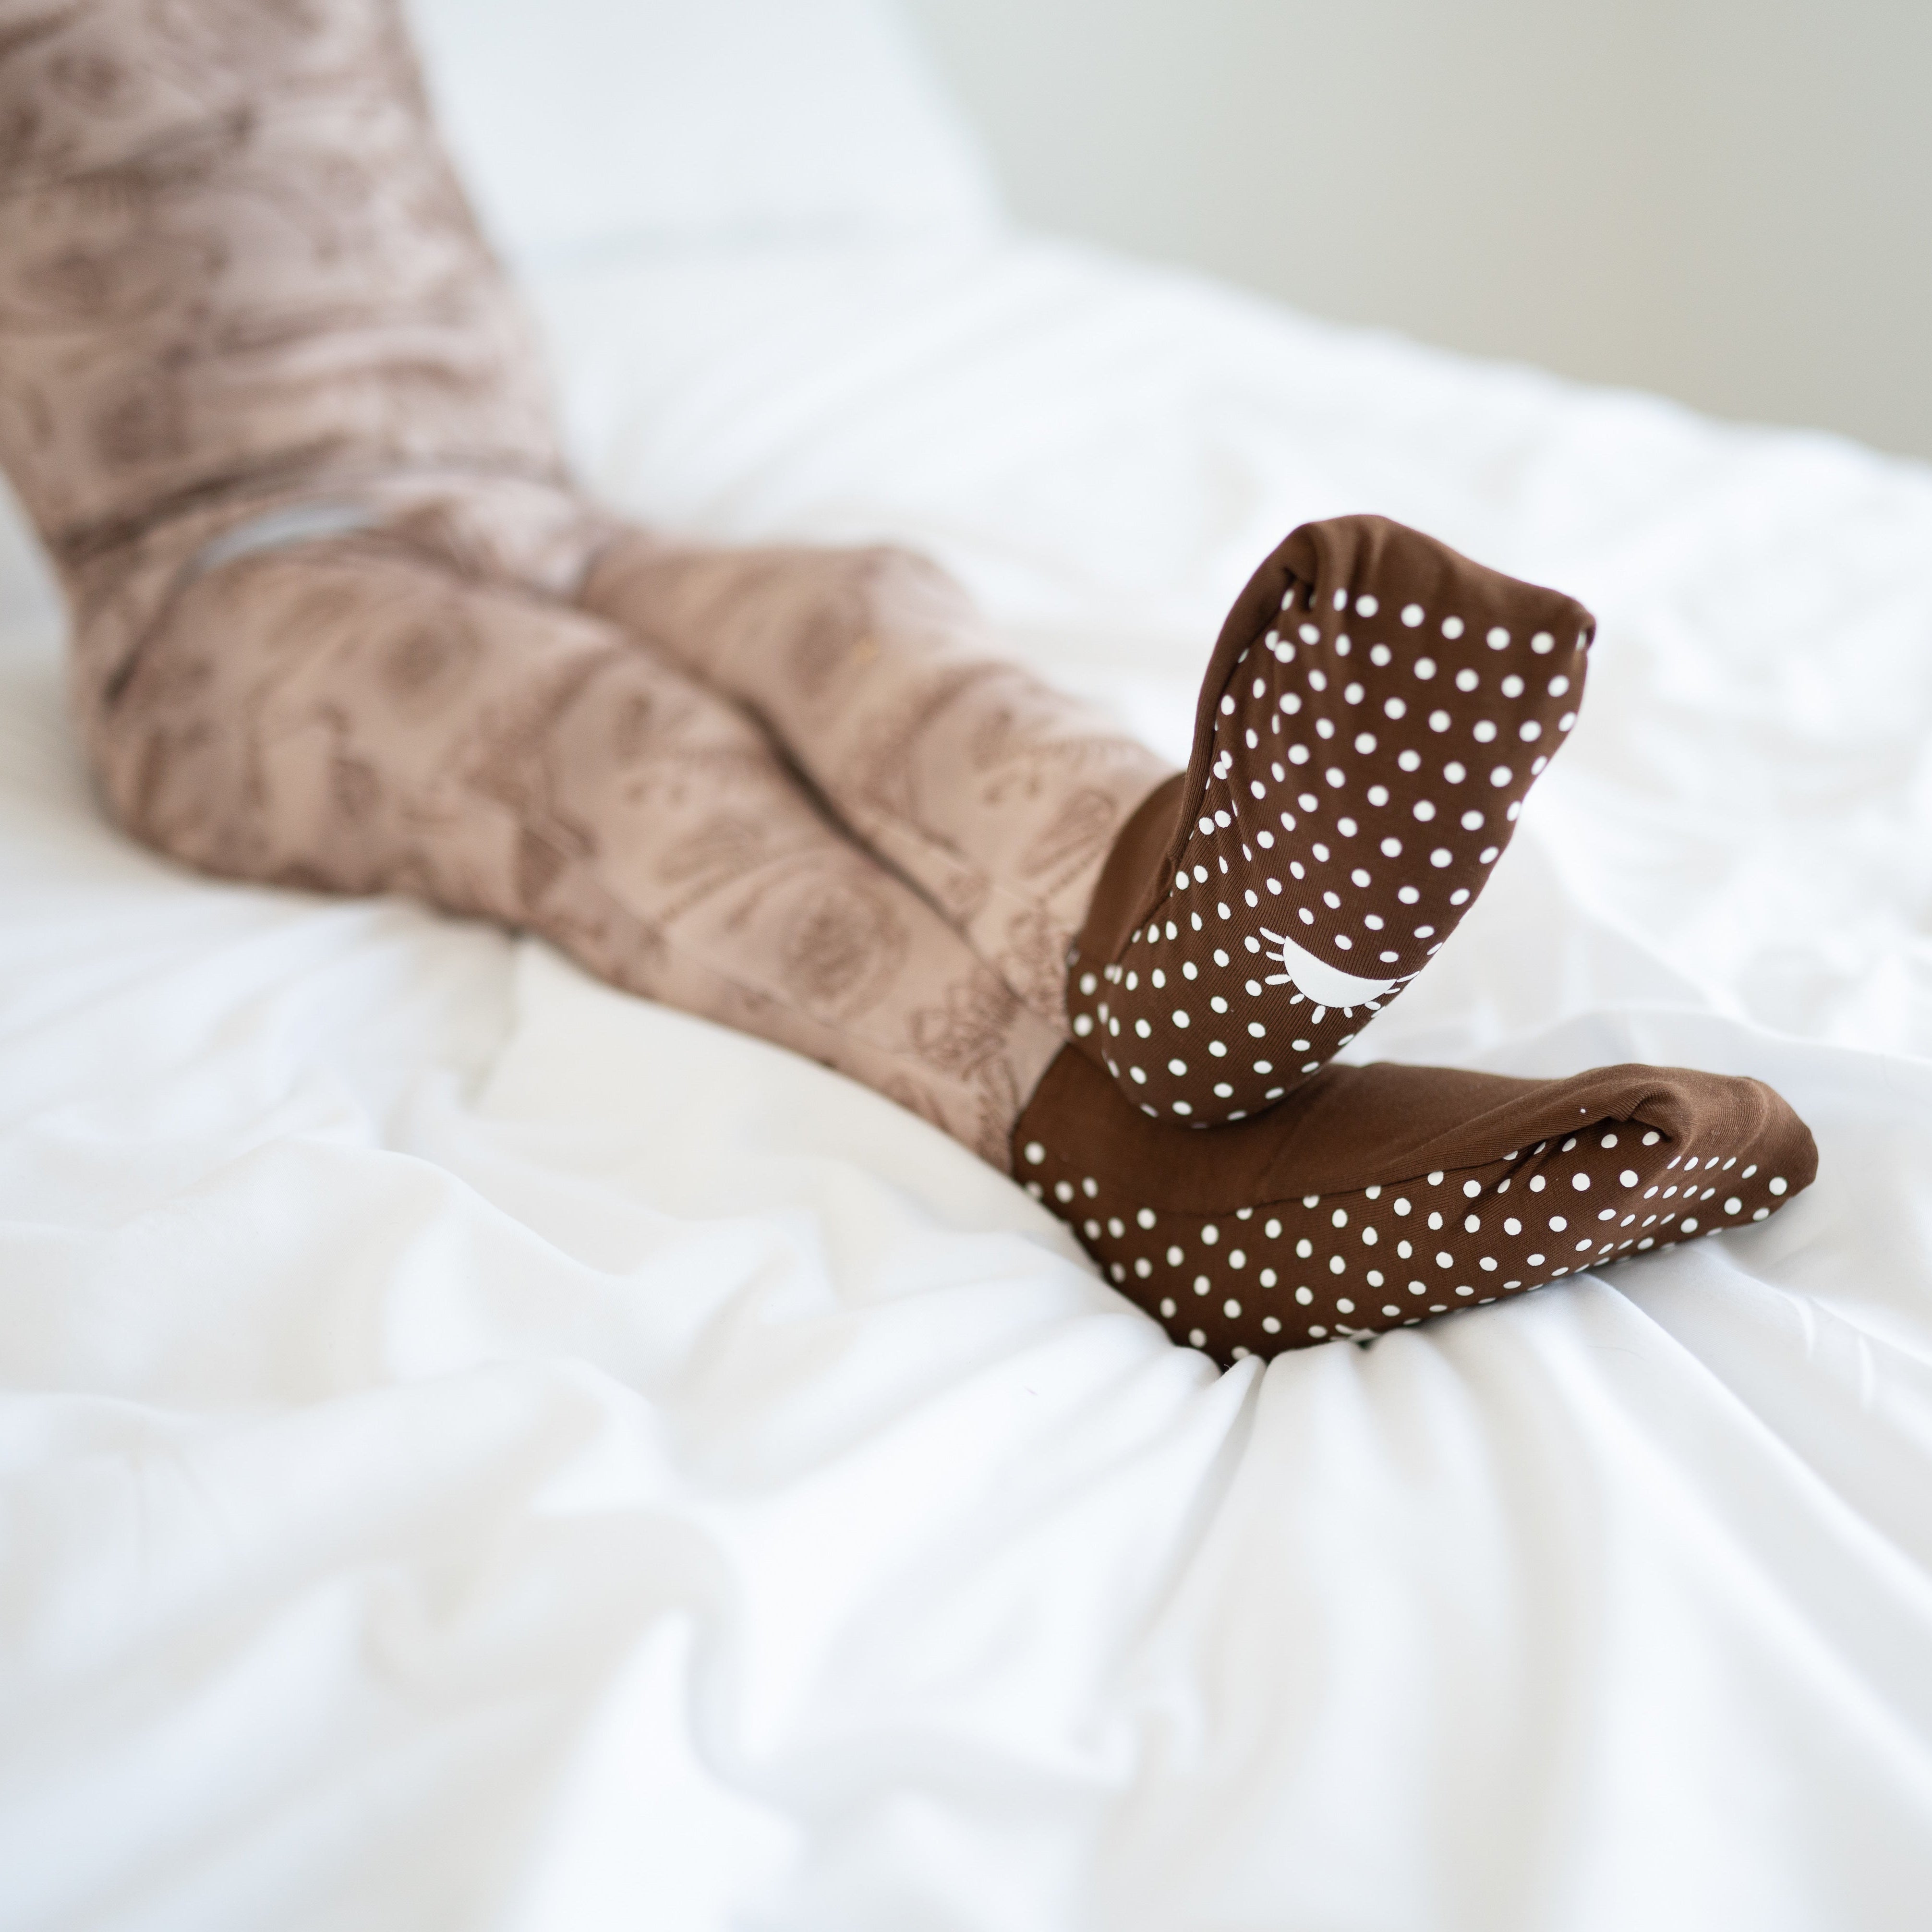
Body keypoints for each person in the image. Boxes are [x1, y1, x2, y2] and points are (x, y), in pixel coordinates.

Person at [0, 0, 1813, 1364]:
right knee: (606, 741)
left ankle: (1166, 921)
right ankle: (1111, 1142)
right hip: (226, 589)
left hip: (535, 505)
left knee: (859, 603)